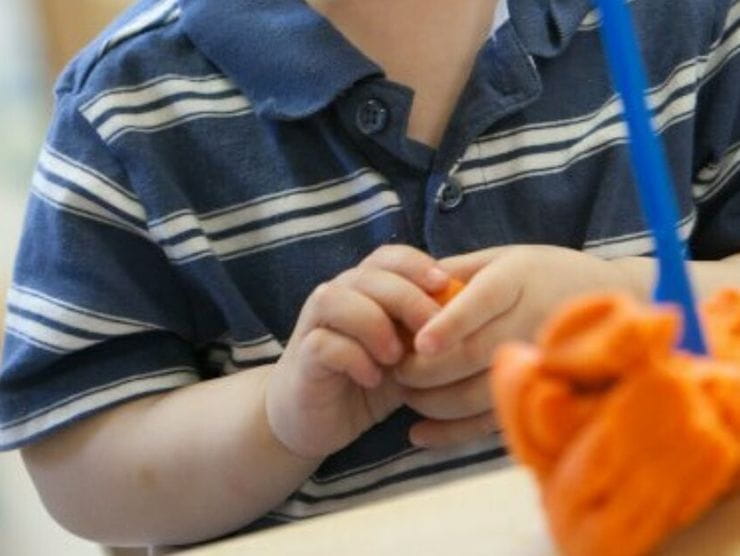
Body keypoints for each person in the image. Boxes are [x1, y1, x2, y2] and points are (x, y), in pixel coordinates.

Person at [2, 0, 740, 548]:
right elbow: (79, 468)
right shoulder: (126, 104)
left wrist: (611, 302)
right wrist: (276, 420)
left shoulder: (686, 19)